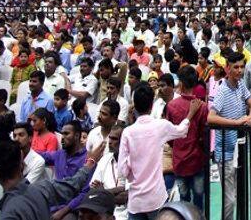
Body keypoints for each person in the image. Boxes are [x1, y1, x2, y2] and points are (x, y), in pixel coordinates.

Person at [119, 84, 203, 219]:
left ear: (134, 104)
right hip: (155, 197)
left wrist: (134, 175)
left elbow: (122, 171)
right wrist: (190, 114)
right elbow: (182, 131)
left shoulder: (127, 132)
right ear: (152, 105)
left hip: (136, 200)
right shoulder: (160, 125)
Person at [0, 138, 105, 219]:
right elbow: (73, 184)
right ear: (22, 165)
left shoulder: (8, 213)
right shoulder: (43, 188)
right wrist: (90, 163)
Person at [207, 52, 251, 220]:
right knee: (229, 199)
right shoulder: (222, 91)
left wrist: (250, 116)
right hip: (226, 153)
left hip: (238, 150)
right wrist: (236, 123)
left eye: (242, 67)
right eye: (235, 67)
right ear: (227, 69)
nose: (239, 70)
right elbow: (211, 117)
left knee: (238, 194)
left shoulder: (241, 84)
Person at [165, 67, 209, 210]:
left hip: (179, 160)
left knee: (183, 201)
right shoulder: (202, 107)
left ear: (181, 84)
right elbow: (205, 135)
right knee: (198, 201)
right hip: (197, 159)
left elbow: (170, 137)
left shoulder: (171, 106)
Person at [38, 120, 92, 219]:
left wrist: (63, 211)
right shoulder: (59, 154)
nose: (62, 137)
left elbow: (85, 193)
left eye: (66, 134)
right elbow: (40, 156)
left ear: (76, 136)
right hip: (53, 205)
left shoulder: (88, 159)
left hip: (73, 209)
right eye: (62, 134)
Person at [90, 125, 128, 220]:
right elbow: (94, 192)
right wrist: (118, 190)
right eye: (110, 138)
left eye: (114, 139)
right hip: (102, 212)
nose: (110, 142)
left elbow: (126, 196)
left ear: (124, 141)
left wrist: (103, 192)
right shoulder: (105, 159)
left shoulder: (132, 162)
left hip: (125, 214)